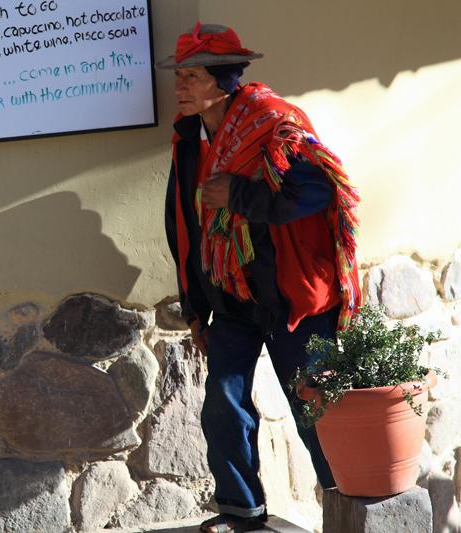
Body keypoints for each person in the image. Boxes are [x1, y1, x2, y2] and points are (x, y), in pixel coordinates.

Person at [156, 22, 361, 533]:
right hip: (230, 295)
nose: (179, 86)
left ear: (223, 80)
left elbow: (320, 192)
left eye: (192, 75)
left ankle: (347, 506)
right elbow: (184, 223)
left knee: (315, 409)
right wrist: (195, 307)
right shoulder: (187, 139)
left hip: (291, 295)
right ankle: (242, 513)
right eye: (179, 75)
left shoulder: (275, 123)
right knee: (223, 404)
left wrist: (241, 197)